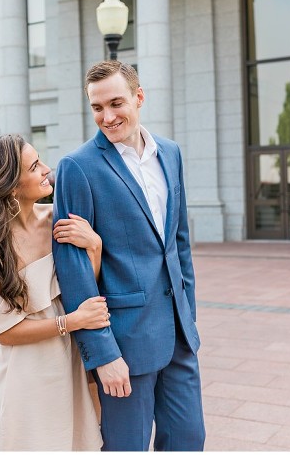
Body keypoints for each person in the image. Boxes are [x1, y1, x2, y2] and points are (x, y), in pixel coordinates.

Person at [52, 60, 206, 451]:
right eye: (97, 107)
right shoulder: (77, 167)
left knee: (189, 440)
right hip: (125, 343)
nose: (107, 117)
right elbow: (73, 268)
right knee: (126, 447)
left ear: (139, 98)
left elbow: (178, 243)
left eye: (116, 103)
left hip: (178, 335)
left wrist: (188, 314)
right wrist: (102, 354)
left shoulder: (170, 153)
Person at [0, 134, 107, 451]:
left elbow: (85, 287)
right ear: (11, 186)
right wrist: (72, 322)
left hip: (72, 360)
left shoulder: (58, 220)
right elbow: (4, 332)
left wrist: (94, 246)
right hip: (26, 373)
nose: (46, 170)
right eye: (35, 166)